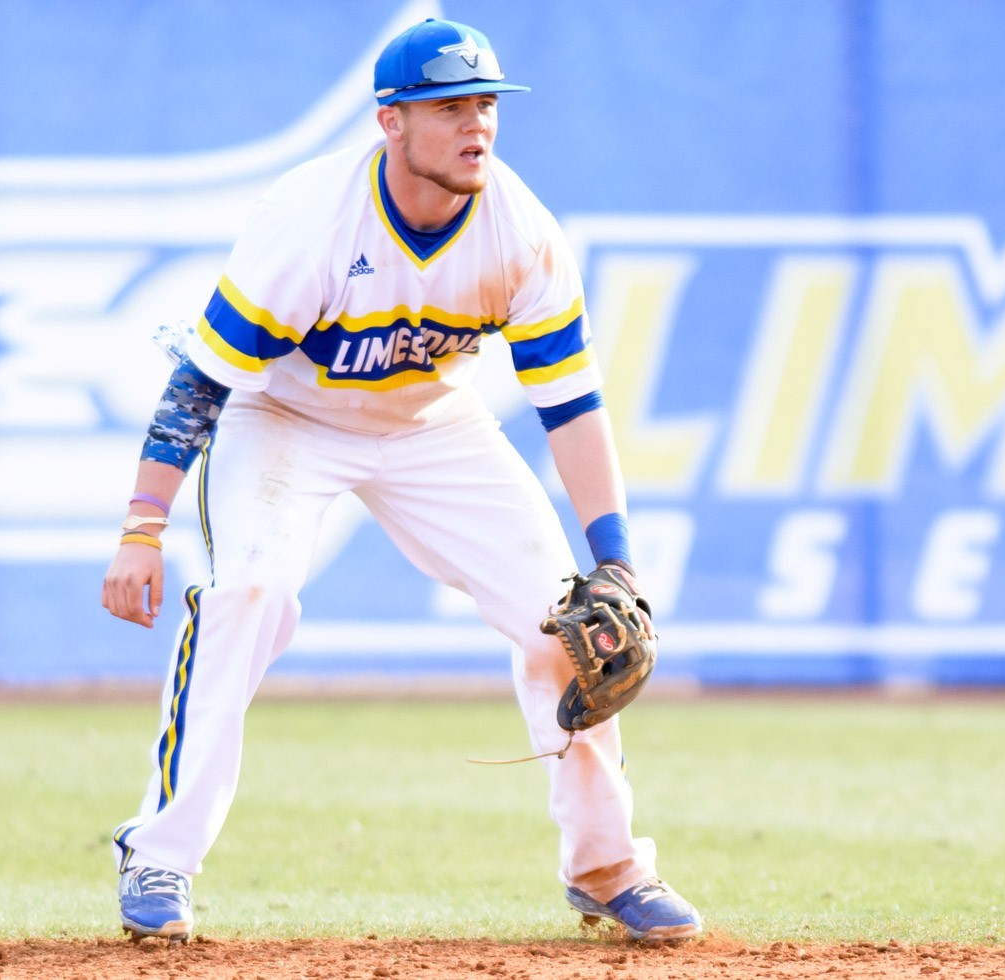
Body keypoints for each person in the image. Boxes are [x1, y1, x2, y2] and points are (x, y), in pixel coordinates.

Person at [99, 17, 702, 944]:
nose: (476, 124)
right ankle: (159, 856)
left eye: (486, 103)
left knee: (569, 625)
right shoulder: (312, 223)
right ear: (392, 121)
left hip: (431, 422)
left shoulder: (521, 232)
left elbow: (573, 406)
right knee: (249, 596)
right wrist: (143, 527)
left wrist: (614, 560)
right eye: (449, 106)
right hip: (285, 417)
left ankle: (609, 869)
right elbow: (202, 383)